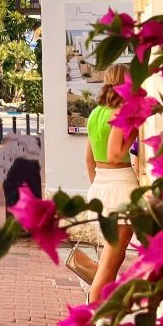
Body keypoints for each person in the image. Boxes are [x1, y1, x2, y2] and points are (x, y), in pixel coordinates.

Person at [65, 63, 140, 300]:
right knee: (111, 260)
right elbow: (114, 155)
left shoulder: (96, 113)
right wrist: (134, 136)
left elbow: (90, 160)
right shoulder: (120, 113)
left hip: (100, 186)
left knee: (110, 257)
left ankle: (102, 312)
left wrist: (98, 188)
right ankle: (91, 313)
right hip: (121, 186)